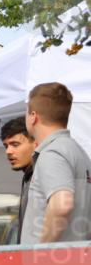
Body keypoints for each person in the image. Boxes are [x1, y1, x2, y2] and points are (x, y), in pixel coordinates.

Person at [21, 82, 91, 244]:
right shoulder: (79, 153)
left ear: (33, 116)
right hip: (74, 256)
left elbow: (62, 205)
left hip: (51, 259)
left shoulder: (53, 153)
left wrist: (40, 251)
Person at [0, 116, 40, 244]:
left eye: (15, 144)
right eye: (6, 146)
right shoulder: (29, 175)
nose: (8, 151)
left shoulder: (43, 172)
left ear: (36, 143)